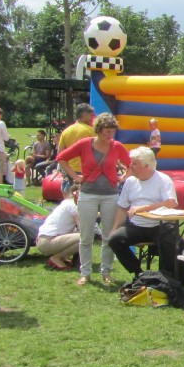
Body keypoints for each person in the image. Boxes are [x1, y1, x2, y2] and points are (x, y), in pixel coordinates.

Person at [56, 112, 131, 286]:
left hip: (111, 194)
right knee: (86, 235)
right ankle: (85, 273)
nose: (109, 135)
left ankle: (106, 272)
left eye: (112, 131)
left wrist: (123, 177)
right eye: (106, 131)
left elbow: (130, 164)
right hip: (88, 193)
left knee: (108, 235)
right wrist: (76, 176)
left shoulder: (117, 146)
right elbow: (62, 158)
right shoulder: (84, 144)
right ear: (98, 130)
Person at [108, 147, 178, 280]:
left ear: (147, 166)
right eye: (131, 163)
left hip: (160, 225)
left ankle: (166, 277)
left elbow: (171, 203)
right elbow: (122, 207)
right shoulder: (130, 181)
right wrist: (115, 228)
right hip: (136, 226)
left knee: (172, 242)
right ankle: (138, 271)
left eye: (135, 164)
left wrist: (145, 208)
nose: (131, 166)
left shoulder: (163, 179)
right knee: (114, 239)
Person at [35, 186, 80, 270]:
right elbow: (81, 226)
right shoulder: (74, 206)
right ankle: (56, 258)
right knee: (85, 238)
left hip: (43, 240)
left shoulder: (67, 202)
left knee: (77, 232)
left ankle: (62, 258)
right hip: (47, 242)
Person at [57, 103, 97, 193]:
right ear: (84, 116)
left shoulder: (66, 131)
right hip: (85, 171)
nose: (92, 118)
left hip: (69, 170)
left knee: (71, 196)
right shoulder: (90, 131)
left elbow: (59, 153)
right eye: (90, 116)